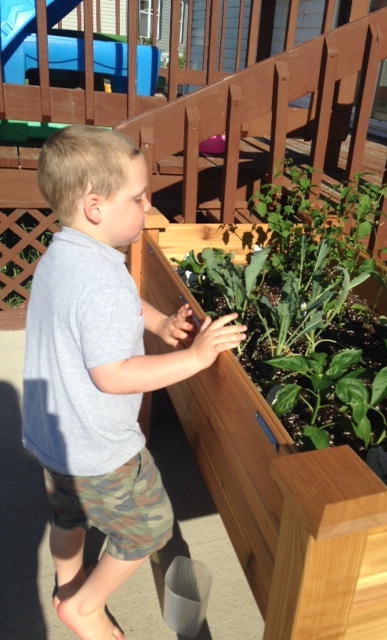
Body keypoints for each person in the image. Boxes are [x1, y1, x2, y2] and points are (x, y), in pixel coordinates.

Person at [22, 125, 247, 640]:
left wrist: (160, 324)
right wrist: (194, 357)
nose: (149, 206)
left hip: (54, 439)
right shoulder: (100, 282)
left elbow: (120, 300)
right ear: (96, 206)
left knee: (68, 516)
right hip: (100, 450)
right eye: (139, 197)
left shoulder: (68, 253)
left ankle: (67, 585)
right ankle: (84, 607)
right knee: (147, 529)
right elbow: (114, 375)